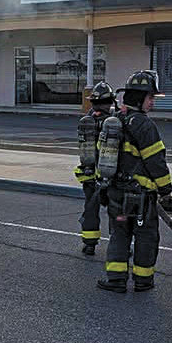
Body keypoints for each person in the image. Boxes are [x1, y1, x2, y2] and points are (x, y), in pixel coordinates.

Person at [97, 70, 172, 293]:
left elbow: (101, 154)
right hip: (140, 198)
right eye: (150, 98)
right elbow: (155, 161)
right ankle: (143, 280)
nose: (152, 103)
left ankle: (116, 280)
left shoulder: (114, 121)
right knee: (146, 237)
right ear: (139, 98)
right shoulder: (144, 125)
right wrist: (166, 188)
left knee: (119, 233)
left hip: (116, 194)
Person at [76, 81, 116, 255]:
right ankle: (118, 244)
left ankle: (89, 243)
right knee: (116, 211)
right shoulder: (114, 122)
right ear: (111, 102)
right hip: (110, 175)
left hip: (89, 175)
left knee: (91, 209)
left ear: (92, 102)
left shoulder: (87, 121)